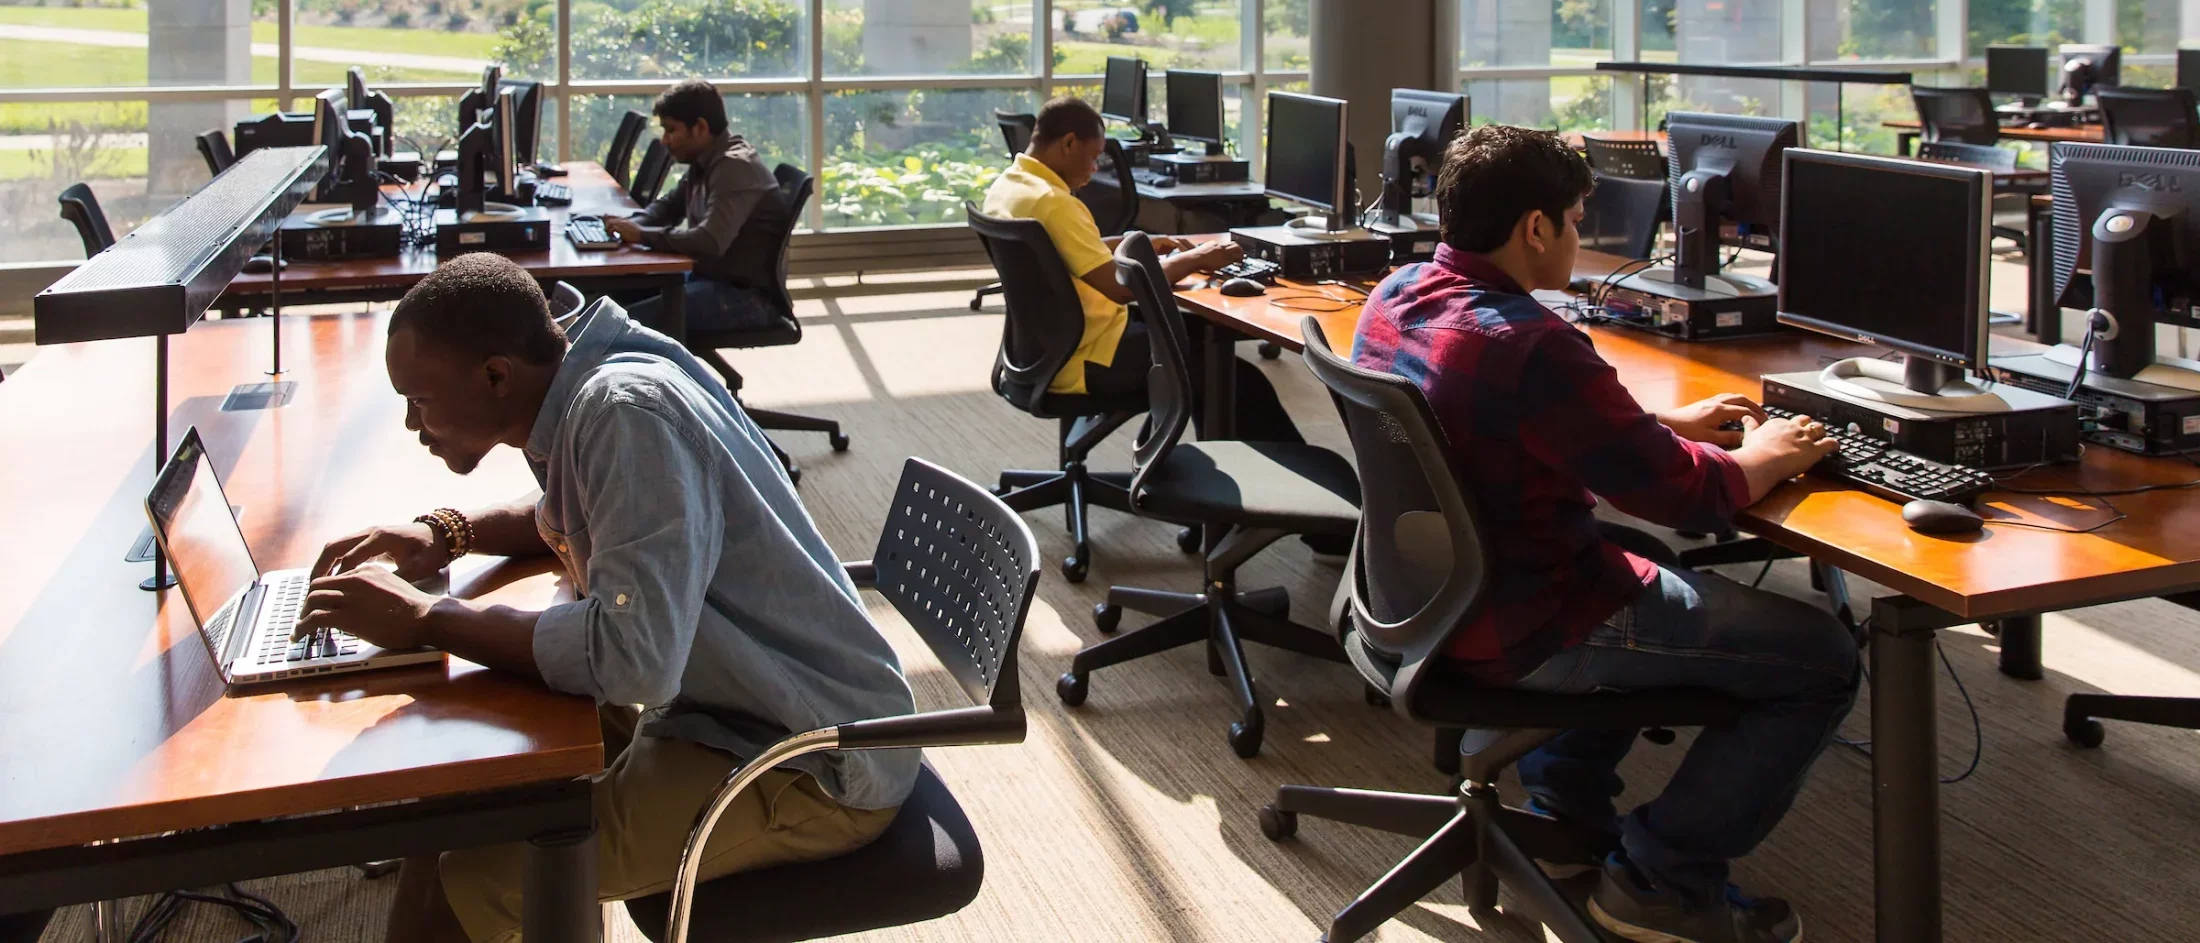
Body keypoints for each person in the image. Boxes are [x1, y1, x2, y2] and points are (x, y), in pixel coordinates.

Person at [297, 254, 918, 943]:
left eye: (419, 399)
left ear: (496, 375)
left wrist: (428, 618)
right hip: (723, 701)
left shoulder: (623, 413)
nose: (414, 425)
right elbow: (575, 511)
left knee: (471, 881)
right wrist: (447, 531)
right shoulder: (589, 377)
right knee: (461, 791)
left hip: (806, 754)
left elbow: (634, 661)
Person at [1351, 125, 1859, 943]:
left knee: (1646, 562)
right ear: (1537, 228)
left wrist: (1653, 419)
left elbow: (1489, 415)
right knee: (1824, 656)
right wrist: (1765, 454)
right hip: (1527, 619)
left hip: (1422, 597)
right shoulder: (1533, 341)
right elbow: (1686, 494)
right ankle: (1658, 880)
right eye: (1578, 218)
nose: (1582, 234)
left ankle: (1565, 819)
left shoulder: (1399, 292)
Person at [981, 95, 1305, 444]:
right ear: (1068, 143)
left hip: (1045, 350)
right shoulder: (1054, 202)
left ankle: (1216, 467)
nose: (1094, 169)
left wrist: (1138, 242)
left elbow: (1056, 250)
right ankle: (1276, 483)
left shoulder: (1011, 186)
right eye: (1093, 157)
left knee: (1202, 336)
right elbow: (1122, 287)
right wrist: (1197, 259)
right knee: (1227, 375)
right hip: (1090, 356)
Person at [605, 78, 789, 334]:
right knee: (609, 299)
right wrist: (630, 224)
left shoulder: (734, 167)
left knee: (616, 327)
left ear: (700, 127)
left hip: (745, 298)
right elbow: (668, 207)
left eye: (671, 130)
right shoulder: (705, 161)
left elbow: (709, 241)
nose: (665, 140)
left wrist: (641, 234)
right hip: (707, 278)